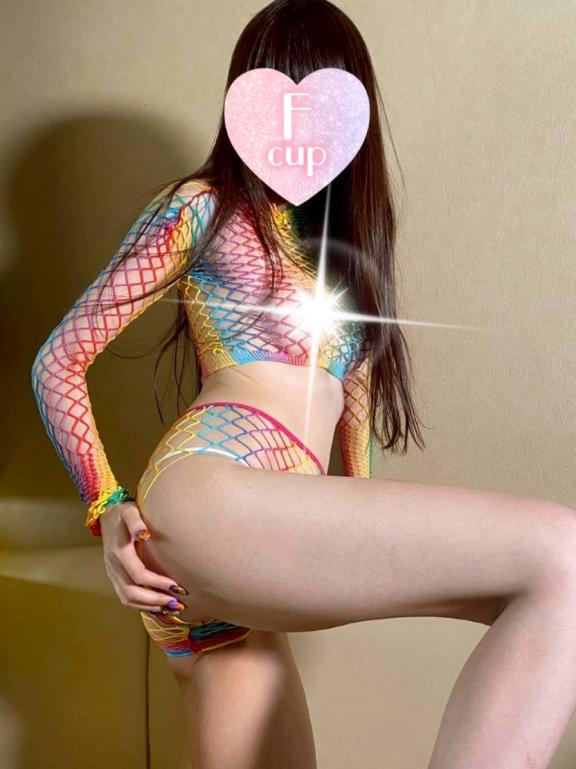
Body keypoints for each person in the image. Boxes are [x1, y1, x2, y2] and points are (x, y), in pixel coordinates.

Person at [31, 1, 576, 768]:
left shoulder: (345, 259)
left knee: (554, 573)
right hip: (211, 496)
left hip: (252, 555)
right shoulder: (203, 207)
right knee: (563, 553)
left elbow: (355, 460)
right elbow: (57, 360)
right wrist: (107, 506)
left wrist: (362, 534)